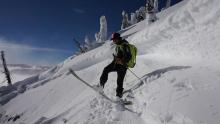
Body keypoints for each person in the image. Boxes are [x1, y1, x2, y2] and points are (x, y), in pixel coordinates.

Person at [96, 32, 131, 100]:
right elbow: (120, 55)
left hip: (123, 66)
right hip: (116, 64)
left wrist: (122, 61)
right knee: (106, 69)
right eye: (113, 39)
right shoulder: (118, 45)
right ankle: (101, 86)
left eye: (114, 39)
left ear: (118, 38)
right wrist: (116, 59)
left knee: (119, 81)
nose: (113, 41)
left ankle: (118, 95)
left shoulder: (125, 45)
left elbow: (128, 56)